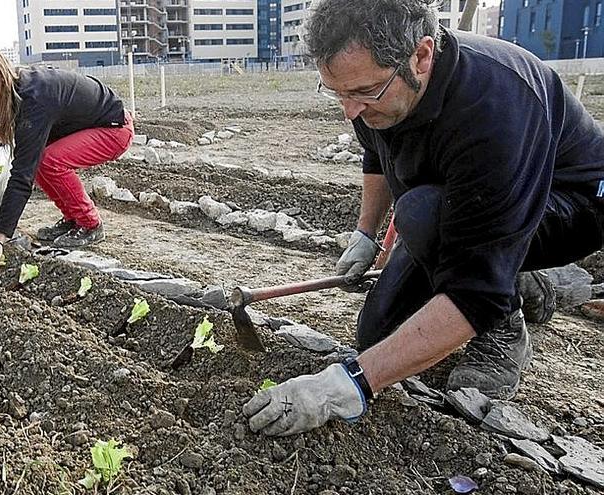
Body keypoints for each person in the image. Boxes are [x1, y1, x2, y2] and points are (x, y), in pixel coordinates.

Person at [244, 0, 604, 436]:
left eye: (362, 93)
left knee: (425, 218)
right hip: (465, 201)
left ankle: (505, 324)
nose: (349, 111)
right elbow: (376, 152)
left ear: (421, 56)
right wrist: (365, 233)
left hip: (570, 203)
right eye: (337, 92)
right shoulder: (376, 89)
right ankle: (526, 280)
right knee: (377, 336)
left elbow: (472, 294)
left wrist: (346, 386)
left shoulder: (492, 112)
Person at [0, 42, 134, 276]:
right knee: (38, 157)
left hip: (115, 129)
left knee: (48, 160)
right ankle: (73, 219)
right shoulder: (20, 89)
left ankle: (90, 224)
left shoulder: (35, 96)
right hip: (92, 126)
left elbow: (22, 176)